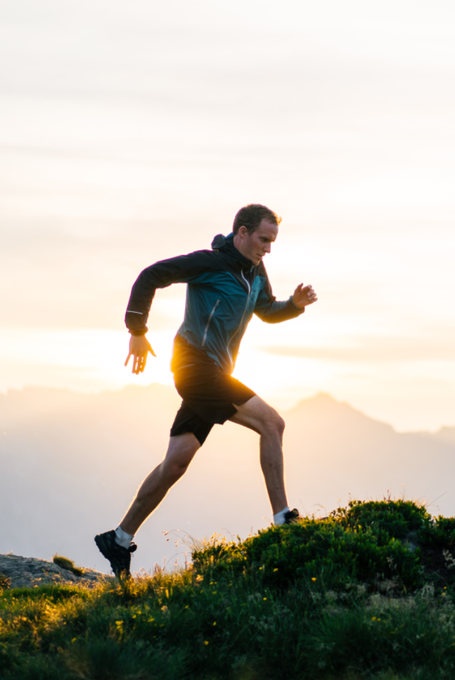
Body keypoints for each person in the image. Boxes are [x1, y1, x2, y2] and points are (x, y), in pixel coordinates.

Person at [94, 203, 318, 580]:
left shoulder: (255, 272)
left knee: (176, 463)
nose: (268, 248)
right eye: (264, 239)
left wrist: (293, 306)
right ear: (241, 232)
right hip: (195, 367)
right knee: (272, 423)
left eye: (273, 241)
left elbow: (265, 310)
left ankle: (118, 538)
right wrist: (137, 330)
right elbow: (151, 275)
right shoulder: (209, 263)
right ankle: (284, 521)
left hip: (215, 371)